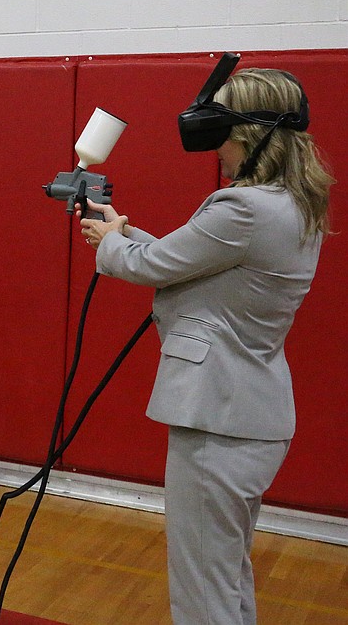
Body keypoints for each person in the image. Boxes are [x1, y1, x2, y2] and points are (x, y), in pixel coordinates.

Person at [79, 67, 334, 624]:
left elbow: (152, 266)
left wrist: (111, 241)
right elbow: (187, 259)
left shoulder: (241, 208)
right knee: (224, 578)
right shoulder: (289, 204)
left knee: (202, 594)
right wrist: (122, 233)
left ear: (249, 130)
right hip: (248, 415)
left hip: (219, 420)